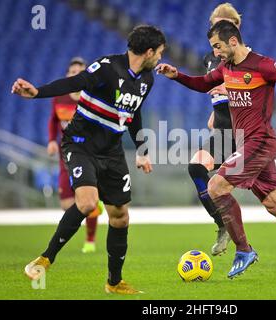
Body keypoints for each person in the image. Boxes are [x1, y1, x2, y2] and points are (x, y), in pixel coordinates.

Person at [157, 20, 276, 280]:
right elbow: (203, 83)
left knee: (216, 187)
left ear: (233, 41)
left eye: (218, 46)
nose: (216, 53)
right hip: (247, 144)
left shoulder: (262, 65)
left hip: (261, 142)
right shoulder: (226, 68)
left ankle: (244, 250)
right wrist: (177, 76)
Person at [12, 25, 166, 294]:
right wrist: (37, 92)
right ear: (150, 51)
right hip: (81, 144)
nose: (161, 58)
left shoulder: (147, 80)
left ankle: (114, 282)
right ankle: (44, 259)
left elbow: (134, 115)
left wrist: (142, 150)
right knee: (87, 202)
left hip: (112, 150)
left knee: (120, 217)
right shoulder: (108, 67)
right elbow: (75, 82)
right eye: (160, 53)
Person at [47, 57, 104, 254]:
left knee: (87, 200)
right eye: (72, 72)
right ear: (67, 76)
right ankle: (94, 207)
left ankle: (90, 239)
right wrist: (52, 140)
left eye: (80, 72)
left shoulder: (92, 98)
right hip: (65, 154)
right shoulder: (59, 97)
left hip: (88, 153)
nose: (76, 76)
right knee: (66, 204)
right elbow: (53, 120)